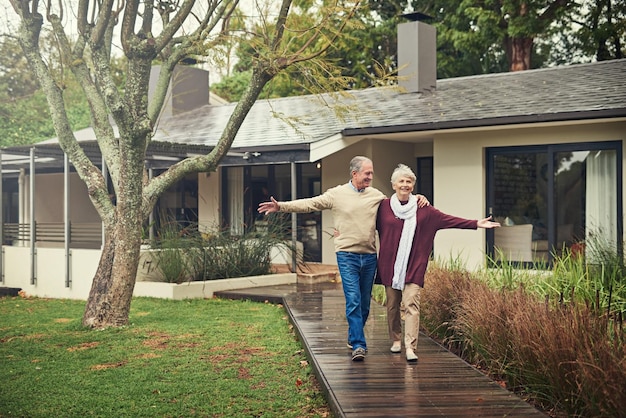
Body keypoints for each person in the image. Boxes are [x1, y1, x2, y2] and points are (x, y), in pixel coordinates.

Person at [258, 156, 428, 361]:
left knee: (364, 304)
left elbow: (398, 207)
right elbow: (310, 204)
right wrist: (281, 206)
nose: (370, 177)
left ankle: (352, 335)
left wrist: (418, 198)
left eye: (371, 173)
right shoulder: (336, 194)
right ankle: (358, 344)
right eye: (367, 173)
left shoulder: (376, 196)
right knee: (353, 300)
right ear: (354, 174)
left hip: (369, 256)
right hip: (347, 255)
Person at [376, 164, 500, 362]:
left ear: (413, 185)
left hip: (414, 267)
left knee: (411, 304)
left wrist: (476, 223)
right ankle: (396, 339)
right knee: (392, 306)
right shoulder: (383, 207)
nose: (405, 185)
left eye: (409, 181)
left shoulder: (424, 210)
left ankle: (410, 346)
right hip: (390, 267)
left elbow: (449, 220)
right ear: (393, 185)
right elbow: (365, 222)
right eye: (401, 181)